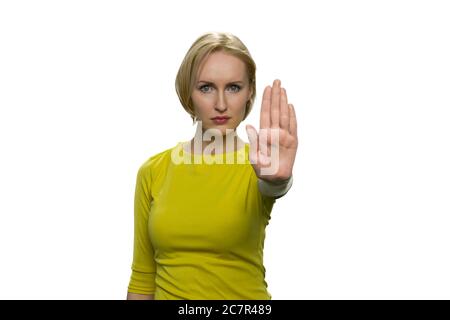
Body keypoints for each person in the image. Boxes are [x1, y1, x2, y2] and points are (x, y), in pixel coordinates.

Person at [126, 32, 298, 300]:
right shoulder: (153, 170)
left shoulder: (258, 167)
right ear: (188, 92)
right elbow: (142, 277)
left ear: (249, 91)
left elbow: (272, 185)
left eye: (233, 87)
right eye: (206, 87)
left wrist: (278, 180)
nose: (220, 104)